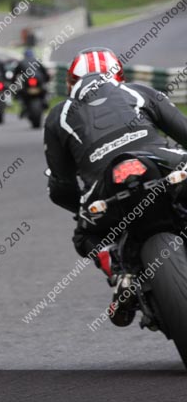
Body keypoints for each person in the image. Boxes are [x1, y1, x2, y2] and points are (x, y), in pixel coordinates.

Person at [44, 47, 187, 325]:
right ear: (119, 75)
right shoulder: (139, 92)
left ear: (70, 82)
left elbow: (61, 188)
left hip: (105, 189)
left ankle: (118, 271)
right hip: (161, 164)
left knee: (84, 236)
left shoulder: (58, 115)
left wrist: (83, 209)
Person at [13, 49, 51, 114]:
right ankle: (44, 102)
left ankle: (23, 105)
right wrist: (47, 80)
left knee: (19, 93)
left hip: (29, 82)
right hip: (38, 80)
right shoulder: (37, 61)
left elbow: (15, 74)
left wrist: (13, 82)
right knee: (45, 90)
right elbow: (45, 73)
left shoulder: (21, 62)